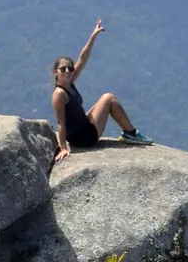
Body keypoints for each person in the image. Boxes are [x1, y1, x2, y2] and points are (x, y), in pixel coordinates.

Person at [50, 18, 152, 162]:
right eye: (63, 69)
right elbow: (60, 122)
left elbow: (82, 58)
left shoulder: (70, 82)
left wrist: (93, 36)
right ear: (55, 72)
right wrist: (63, 148)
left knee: (103, 101)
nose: (67, 71)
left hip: (82, 127)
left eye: (70, 68)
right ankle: (131, 133)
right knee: (108, 98)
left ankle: (130, 133)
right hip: (83, 137)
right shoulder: (59, 93)